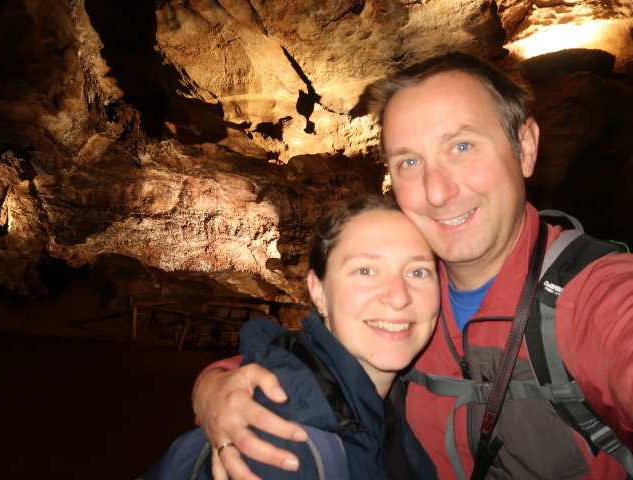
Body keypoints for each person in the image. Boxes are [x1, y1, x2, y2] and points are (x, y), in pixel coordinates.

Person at [192, 52, 633, 480]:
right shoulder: (406, 297)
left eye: (461, 146)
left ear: (525, 147)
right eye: (408, 161)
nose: (436, 192)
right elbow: (322, 357)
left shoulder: (596, 294)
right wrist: (218, 383)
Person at [145, 195, 440, 479]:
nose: (399, 297)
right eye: (365, 270)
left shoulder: (399, 407)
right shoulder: (282, 445)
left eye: (417, 272)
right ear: (319, 291)